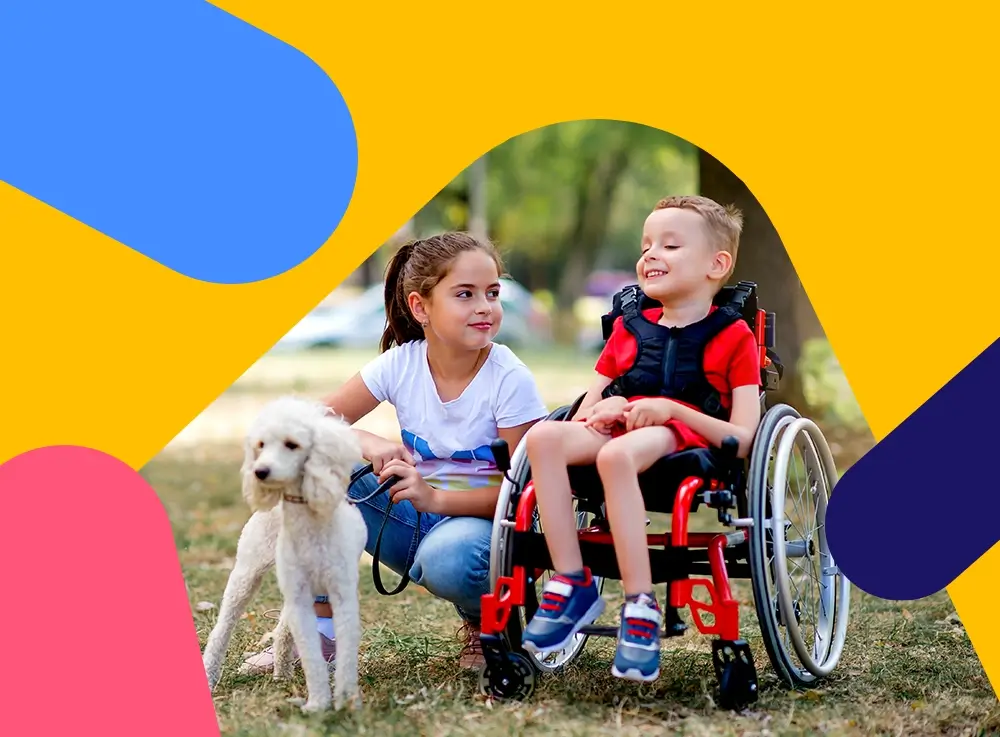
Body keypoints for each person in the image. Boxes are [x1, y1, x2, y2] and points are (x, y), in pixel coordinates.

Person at [241, 232, 550, 674]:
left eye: (493, 292)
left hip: (488, 529)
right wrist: (369, 443)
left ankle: (488, 625)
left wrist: (436, 499)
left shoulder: (508, 378)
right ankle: (320, 635)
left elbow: (525, 492)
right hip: (415, 518)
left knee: (447, 558)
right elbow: (306, 423)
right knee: (317, 456)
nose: (485, 306)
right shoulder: (401, 363)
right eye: (465, 294)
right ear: (420, 307)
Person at [519, 195, 762, 683]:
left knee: (616, 455)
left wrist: (672, 411)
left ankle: (640, 605)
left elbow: (744, 434)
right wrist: (605, 407)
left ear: (718, 264)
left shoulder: (735, 336)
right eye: (646, 244)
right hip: (623, 430)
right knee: (544, 438)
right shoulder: (629, 330)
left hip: (686, 442)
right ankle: (571, 580)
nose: (650, 254)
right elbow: (586, 409)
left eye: (670, 245)